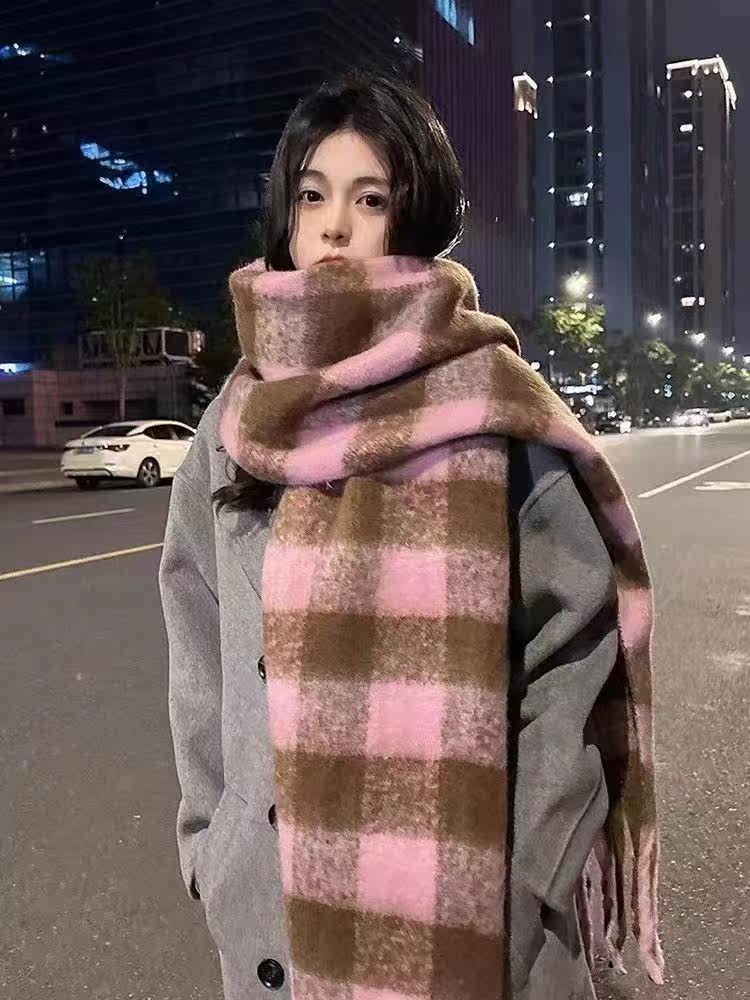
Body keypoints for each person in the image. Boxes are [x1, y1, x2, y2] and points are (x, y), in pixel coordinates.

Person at [159, 72, 664, 1000]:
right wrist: (210, 840)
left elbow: (574, 649)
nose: (334, 228)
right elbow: (197, 645)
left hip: (466, 914)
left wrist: (531, 876)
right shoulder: (234, 420)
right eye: (312, 195)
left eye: (370, 199)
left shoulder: (488, 403)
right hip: (269, 901)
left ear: (415, 216)